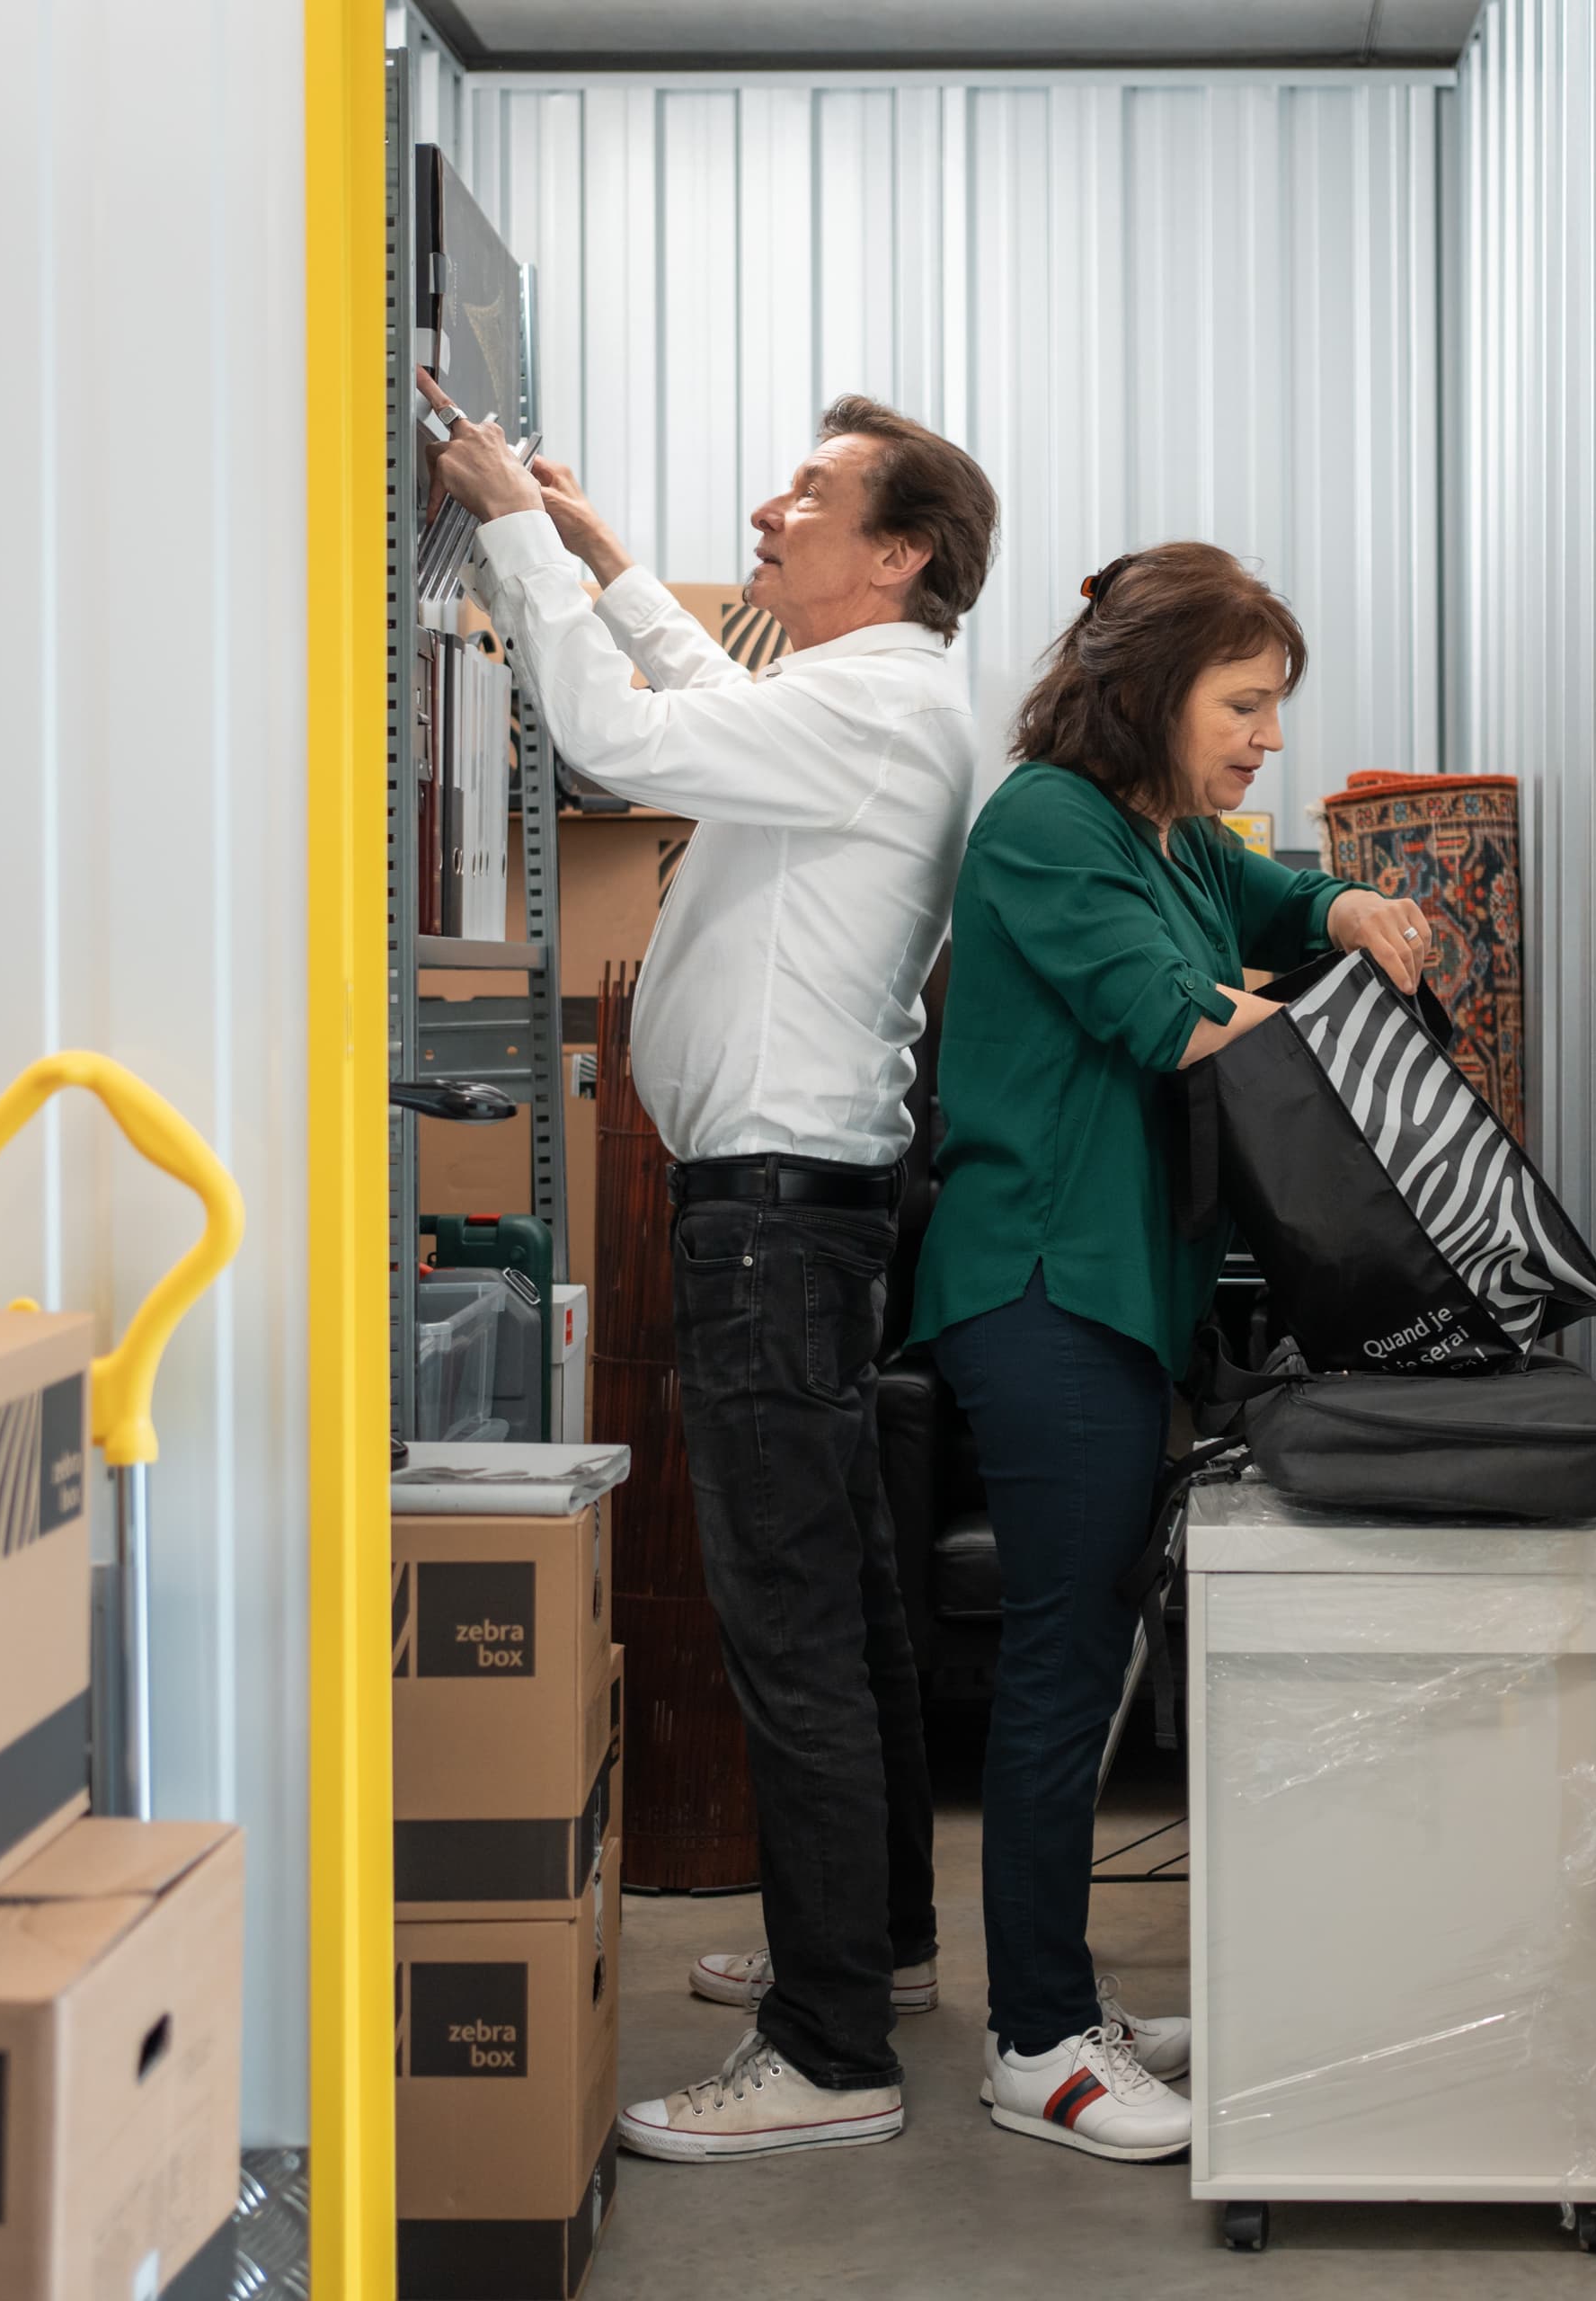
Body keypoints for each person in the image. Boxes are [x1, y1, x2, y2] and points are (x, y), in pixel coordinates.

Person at [421, 378, 998, 2164]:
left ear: (898, 554)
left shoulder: (879, 709)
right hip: (803, 1210)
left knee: (793, 1623)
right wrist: (601, 553)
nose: (769, 511)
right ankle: (874, 1949)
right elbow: (717, 706)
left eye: (810, 493)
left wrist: (515, 529)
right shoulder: (864, 698)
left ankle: (826, 2051)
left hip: (775, 1220)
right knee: (848, 1603)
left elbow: (626, 738)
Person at [904, 542, 1432, 2163]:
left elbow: (1271, 902)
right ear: (1149, 691)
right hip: (1043, 1291)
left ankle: (1064, 2000)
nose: (1268, 736)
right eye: (1245, 704)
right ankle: (1037, 2046)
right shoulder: (1048, 824)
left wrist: (1343, 901)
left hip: (1120, 1296)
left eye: (1275, 707)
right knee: (1063, 1666)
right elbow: (1173, 1013)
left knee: (1093, 1655)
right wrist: (1369, 1051)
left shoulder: (1170, 831)